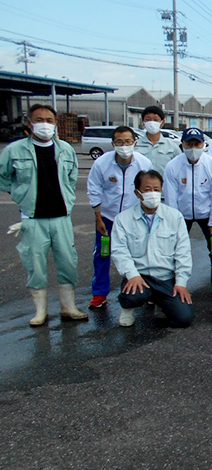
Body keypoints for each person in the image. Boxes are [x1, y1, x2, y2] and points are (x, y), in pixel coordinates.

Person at [0, 104, 88, 325]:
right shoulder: (14, 150)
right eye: (39, 119)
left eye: (49, 120)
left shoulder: (66, 150)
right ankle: (40, 311)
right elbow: (3, 177)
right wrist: (20, 194)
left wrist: (67, 199)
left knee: (68, 262)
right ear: (30, 123)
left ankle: (69, 307)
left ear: (55, 123)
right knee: (35, 265)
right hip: (33, 218)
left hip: (61, 217)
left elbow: (70, 179)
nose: (45, 124)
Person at [112, 170, 193, 328]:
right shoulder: (123, 219)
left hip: (165, 278)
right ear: (138, 193)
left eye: (156, 189)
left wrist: (181, 282)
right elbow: (120, 252)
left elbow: (183, 253)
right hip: (141, 277)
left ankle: (161, 303)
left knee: (184, 319)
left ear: (162, 190)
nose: (153, 194)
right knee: (132, 297)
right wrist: (132, 275)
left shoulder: (174, 217)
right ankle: (128, 308)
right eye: (147, 190)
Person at [86, 125, 153, 309]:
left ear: (135, 143)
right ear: (113, 144)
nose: (124, 146)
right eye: (120, 142)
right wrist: (98, 218)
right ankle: (99, 294)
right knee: (102, 254)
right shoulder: (102, 163)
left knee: (139, 254)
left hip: (133, 219)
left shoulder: (143, 163)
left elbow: (147, 189)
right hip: (107, 217)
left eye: (128, 142)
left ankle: (143, 290)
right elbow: (94, 189)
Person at [163, 127, 212, 300]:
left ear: (203, 144)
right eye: (189, 144)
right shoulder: (173, 166)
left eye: (196, 144)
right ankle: (171, 284)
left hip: (207, 215)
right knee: (173, 249)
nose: (193, 148)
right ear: (182, 145)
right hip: (181, 215)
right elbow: (170, 197)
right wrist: (174, 222)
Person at [134, 106, 180, 174]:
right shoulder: (135, 146)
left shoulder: (173, 147)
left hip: (164, 184)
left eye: (155, 120)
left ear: (163, 122)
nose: (151, 123)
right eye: (148, 119)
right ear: (143, 121)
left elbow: (179, 168)